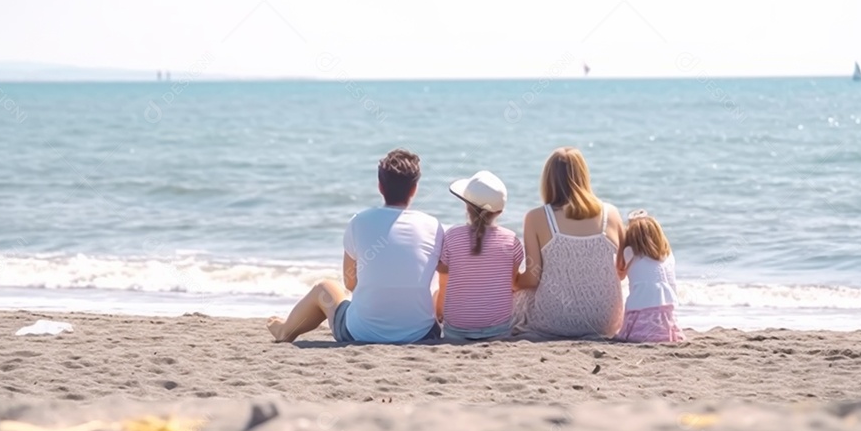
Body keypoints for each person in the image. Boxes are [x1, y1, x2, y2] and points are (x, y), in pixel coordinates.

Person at [267, 149, 444, 343]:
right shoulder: (433, 226)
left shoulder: (360, 222)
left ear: (380, 186)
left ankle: (285, 331)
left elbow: (350, 283)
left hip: (360, 333)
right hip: (423, 334)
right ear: (414, 189)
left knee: (324, 288)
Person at [512, 147, 627, 338]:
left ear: (548, 180)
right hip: (605, 322)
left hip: (554, 321)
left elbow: (533, 278)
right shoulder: (611, 213)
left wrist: (513, 280)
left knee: (517, 299)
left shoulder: (536, 217)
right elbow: (621, 273)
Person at [434, 171, 524, 340]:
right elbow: (513, 284)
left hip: (456, 331)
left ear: (467, 206)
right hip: (499, 331)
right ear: (500, 211)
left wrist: (439, 315)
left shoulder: (452, 236)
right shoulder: (511, 240)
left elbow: (444, 284)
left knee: (436, 291)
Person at [615, 210, 685, 342]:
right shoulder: (668, 255)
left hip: (640, 313)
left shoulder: (630, 253)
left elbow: (620, 274)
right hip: (666, 312)